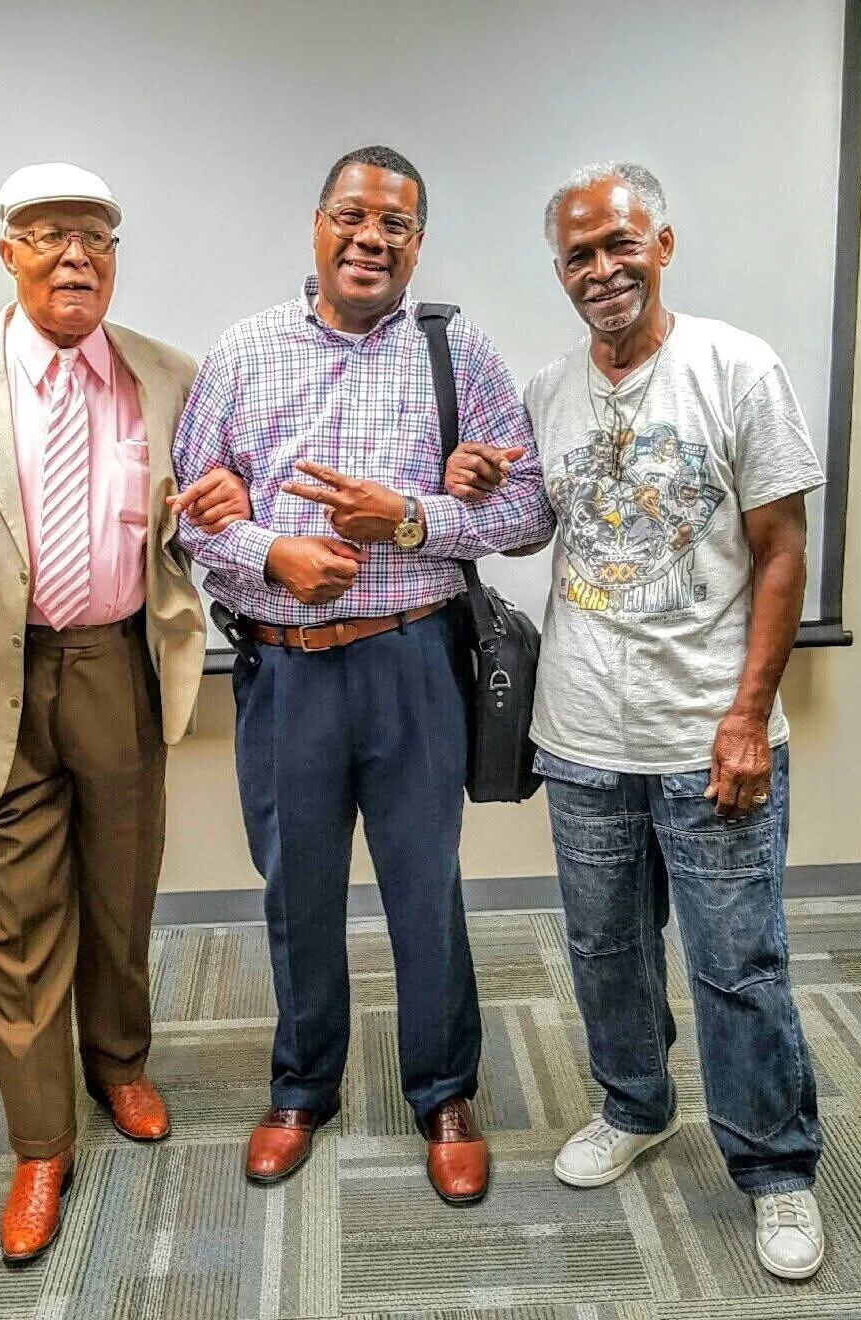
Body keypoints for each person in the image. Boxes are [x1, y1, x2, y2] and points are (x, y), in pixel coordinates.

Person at [445, 161, 826, 1278]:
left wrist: (751, 712)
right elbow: (529, 533)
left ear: (661, 244)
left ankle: (775, 1165)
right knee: (606, 948)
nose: (600, 269)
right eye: (577, 254)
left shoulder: (738, 368)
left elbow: (782, 550)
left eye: (619, 245)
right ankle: (636, 1102)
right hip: (580, 736)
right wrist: (478, 485)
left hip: (709, 731)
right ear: (559, 271)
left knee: (737, 965)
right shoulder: (551, 387)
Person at [0, 162, 246, 1264]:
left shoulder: (168, 375)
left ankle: (120, 1065)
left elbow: (190, 529)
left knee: (122, 890)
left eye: (96, 238)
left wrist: (215, 510)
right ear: (7, 251)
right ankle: (41, 1139)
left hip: (119, 664)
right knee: (18, 917)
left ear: (115, 259)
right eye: (48, 235)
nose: (76, 256)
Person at [171, 145, 555, 1205]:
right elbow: (186, 517)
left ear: (416, 243)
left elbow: (528, 512)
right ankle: (302, 1086)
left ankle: (443, 1091)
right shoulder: (241, 354)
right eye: (352, 215)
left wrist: (417, 515)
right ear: (317, 225)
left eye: (394, 224)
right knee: (296, 890)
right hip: (286, 670)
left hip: (414, 659)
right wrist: (268, 556)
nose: (370, 237)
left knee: (424, 887)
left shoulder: (458, 355)